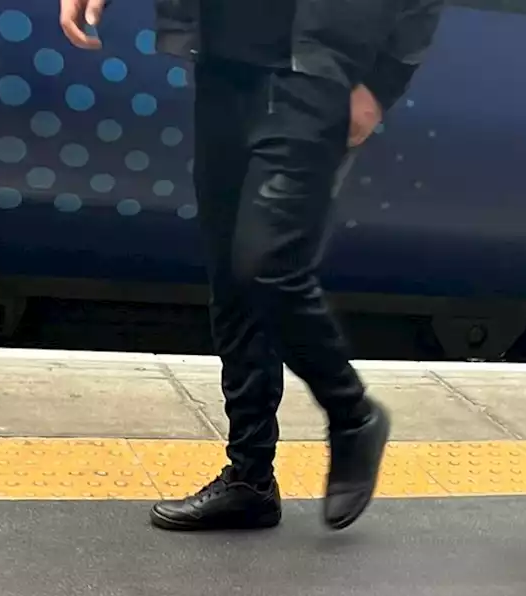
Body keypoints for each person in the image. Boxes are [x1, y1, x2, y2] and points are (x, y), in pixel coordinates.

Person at [60, 0, 444, 531]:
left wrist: (382, 83)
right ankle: (250, 478)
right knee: (229, 276)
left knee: (265, 264)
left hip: (311, 79)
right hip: (222, 65)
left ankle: (353, 415)